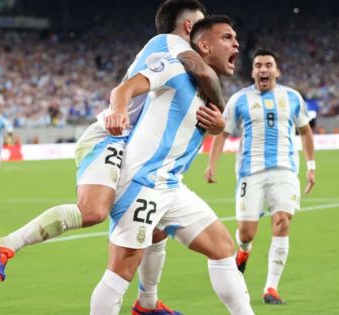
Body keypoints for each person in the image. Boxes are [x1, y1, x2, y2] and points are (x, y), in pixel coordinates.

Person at [0, 1, 226, 314]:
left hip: (131, 147)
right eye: (202, 27)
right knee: (93, 210)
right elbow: (204, 71)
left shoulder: (164, 51)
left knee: (157, 222)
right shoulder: (173, 44)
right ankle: (4, 245)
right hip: (109, 136)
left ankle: (147, 303)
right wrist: (222, 112)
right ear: (189, 27)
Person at [89, 16, 253, 315]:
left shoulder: (208, 89)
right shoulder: (173, 67)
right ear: (204, 45)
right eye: (227, 38)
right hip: (142, 183)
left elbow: (207, 122)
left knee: (222, 247)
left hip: (171, 186)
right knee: (121, 270)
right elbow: (123, 89)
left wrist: (219, 125)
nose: (237, 44)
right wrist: (118, 111)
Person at [204, 49, 317, 305]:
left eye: (268, 65)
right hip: (250, 172)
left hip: (285, 170)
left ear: (277, 71)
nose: (263, 69)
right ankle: (244, 251)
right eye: (258, 65)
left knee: (282, 222)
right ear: (253, 71)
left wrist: (311, 165)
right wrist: (213, 165)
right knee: (246, 233)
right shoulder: (239, 100)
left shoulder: (292, 97)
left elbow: (305, 131)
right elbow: (222, 133)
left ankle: (271, 288)